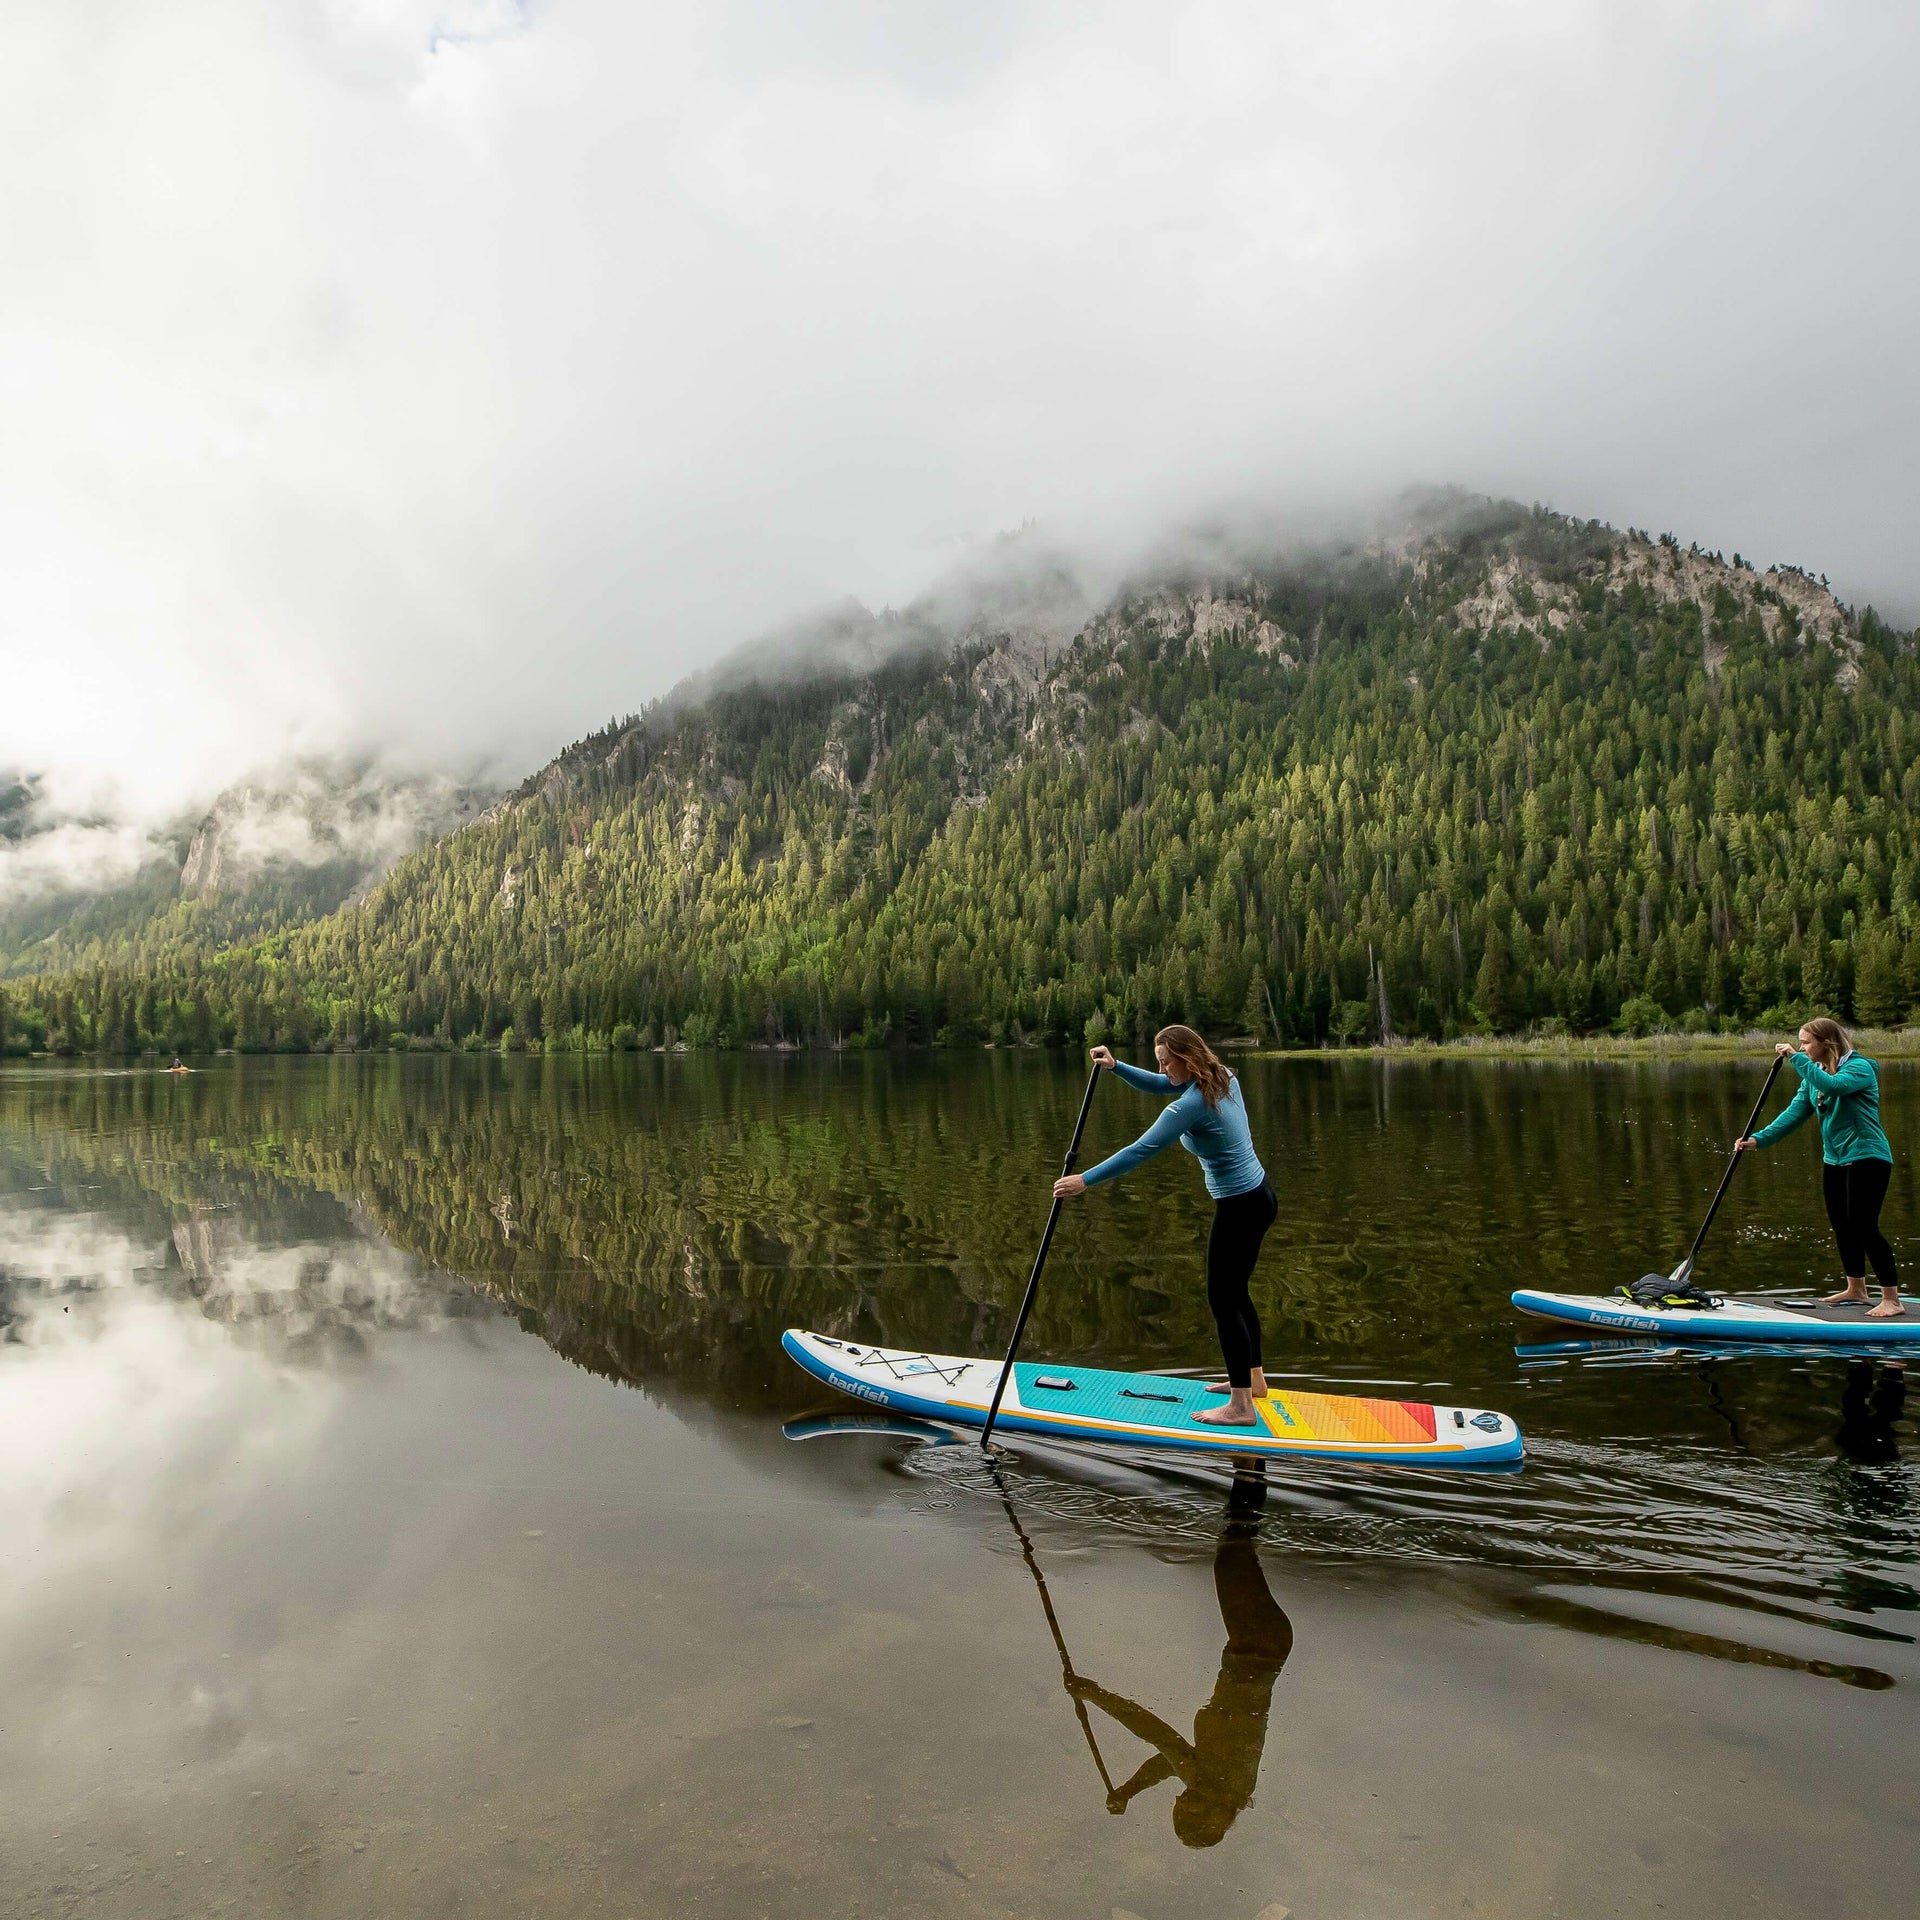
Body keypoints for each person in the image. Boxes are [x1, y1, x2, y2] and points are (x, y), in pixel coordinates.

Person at [1054, 1026, 1277, 1425]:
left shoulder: (1189, 1105)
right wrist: (1117, 1066)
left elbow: (1141, 1149)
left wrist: (1084, 1180)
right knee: (1235, 1293)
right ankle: (1253, 1382)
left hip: (1240, 1207)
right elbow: (1161, 1084)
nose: (1162, 1069)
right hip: (1260, 1196)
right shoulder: (1222, 1076)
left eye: (1166, 1061)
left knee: (1223, 1300)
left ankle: (1241, 1407)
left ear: (1187, 1059)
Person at [1736, 1016, 1901, 1319]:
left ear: (1828, 1043)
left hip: (1867, 1157)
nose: (1802, 1048)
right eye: (1799, 1043)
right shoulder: (1815, 1076)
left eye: (1806, 1042)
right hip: (1834, 1159)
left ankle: (1891, 1299)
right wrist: (1759, 1139)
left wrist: (1795, 1058)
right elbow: (1794, 1113)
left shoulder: (1860, 1068)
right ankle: (1857, 1289)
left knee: (1864, 1225)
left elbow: (1835, 1087)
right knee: (1843, 1225)